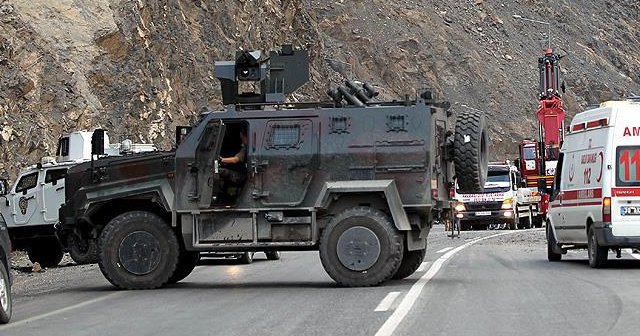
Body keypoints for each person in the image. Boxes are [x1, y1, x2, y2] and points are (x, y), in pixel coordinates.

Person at [218, 130, 248, 195]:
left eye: (242, 138)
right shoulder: (248, 147)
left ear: (245, 137)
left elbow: (235, 160)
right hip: (245, 174)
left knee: (220, 171)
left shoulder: (246, 148)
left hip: (244, 176)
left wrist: (221, 160)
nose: (241, 141)